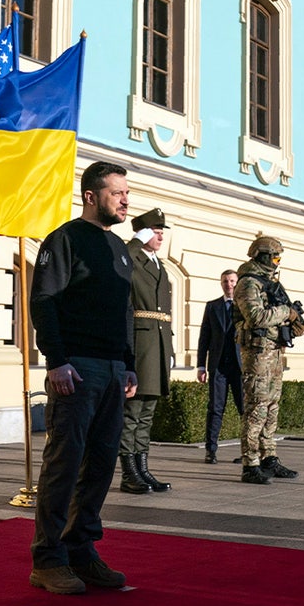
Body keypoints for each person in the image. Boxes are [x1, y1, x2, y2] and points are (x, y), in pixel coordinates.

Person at [28, 160, 139, 595]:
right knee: (64, 465)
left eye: (127, 193)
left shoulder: (120, 249)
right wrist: (56, 360)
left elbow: (124, 311)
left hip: (112, 371)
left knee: (101, 466)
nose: (126, 200)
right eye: (117, 193)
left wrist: (128, 362)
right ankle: (48, 560)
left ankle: (81, 551)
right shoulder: (65, 239)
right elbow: (44, 301)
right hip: (76, 369)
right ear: (91, 196)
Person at [233, 236, 300, 485]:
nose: (277, 262)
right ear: (262, 256)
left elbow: (280, 314)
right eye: (275, 258)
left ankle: (268, 457)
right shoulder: (248, 283)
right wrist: (286, 313)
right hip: (257, 354)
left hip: (274, 351)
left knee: (272, 407)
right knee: (257, 408)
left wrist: (294, 322)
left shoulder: (270, 283)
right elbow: (255, 316)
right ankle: (250, 464)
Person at [118, 208, 174, 494]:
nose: (160, 236)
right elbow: (120, 262)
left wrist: (169, 349)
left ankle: (142, 469)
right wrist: (135, 242)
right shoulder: (133, 258)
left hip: (158, 346)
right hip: (140, 346)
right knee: (132, 412)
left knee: (147, 413)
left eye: (162, 232)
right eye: (155, 231)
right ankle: (129, 474)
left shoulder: (158, 264)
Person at [196, 269, 244, 464]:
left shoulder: (245, 306)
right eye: (225, 281)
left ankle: (248, 452)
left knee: (245, 409)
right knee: (215, 409)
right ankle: (211, 451)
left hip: (240, 368)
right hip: (218, 367)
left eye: (232, 281)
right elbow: (204, 337)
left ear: (237, 283)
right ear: (221, 283)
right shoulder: (212, 306)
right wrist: (201, 365)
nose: (229, 284)